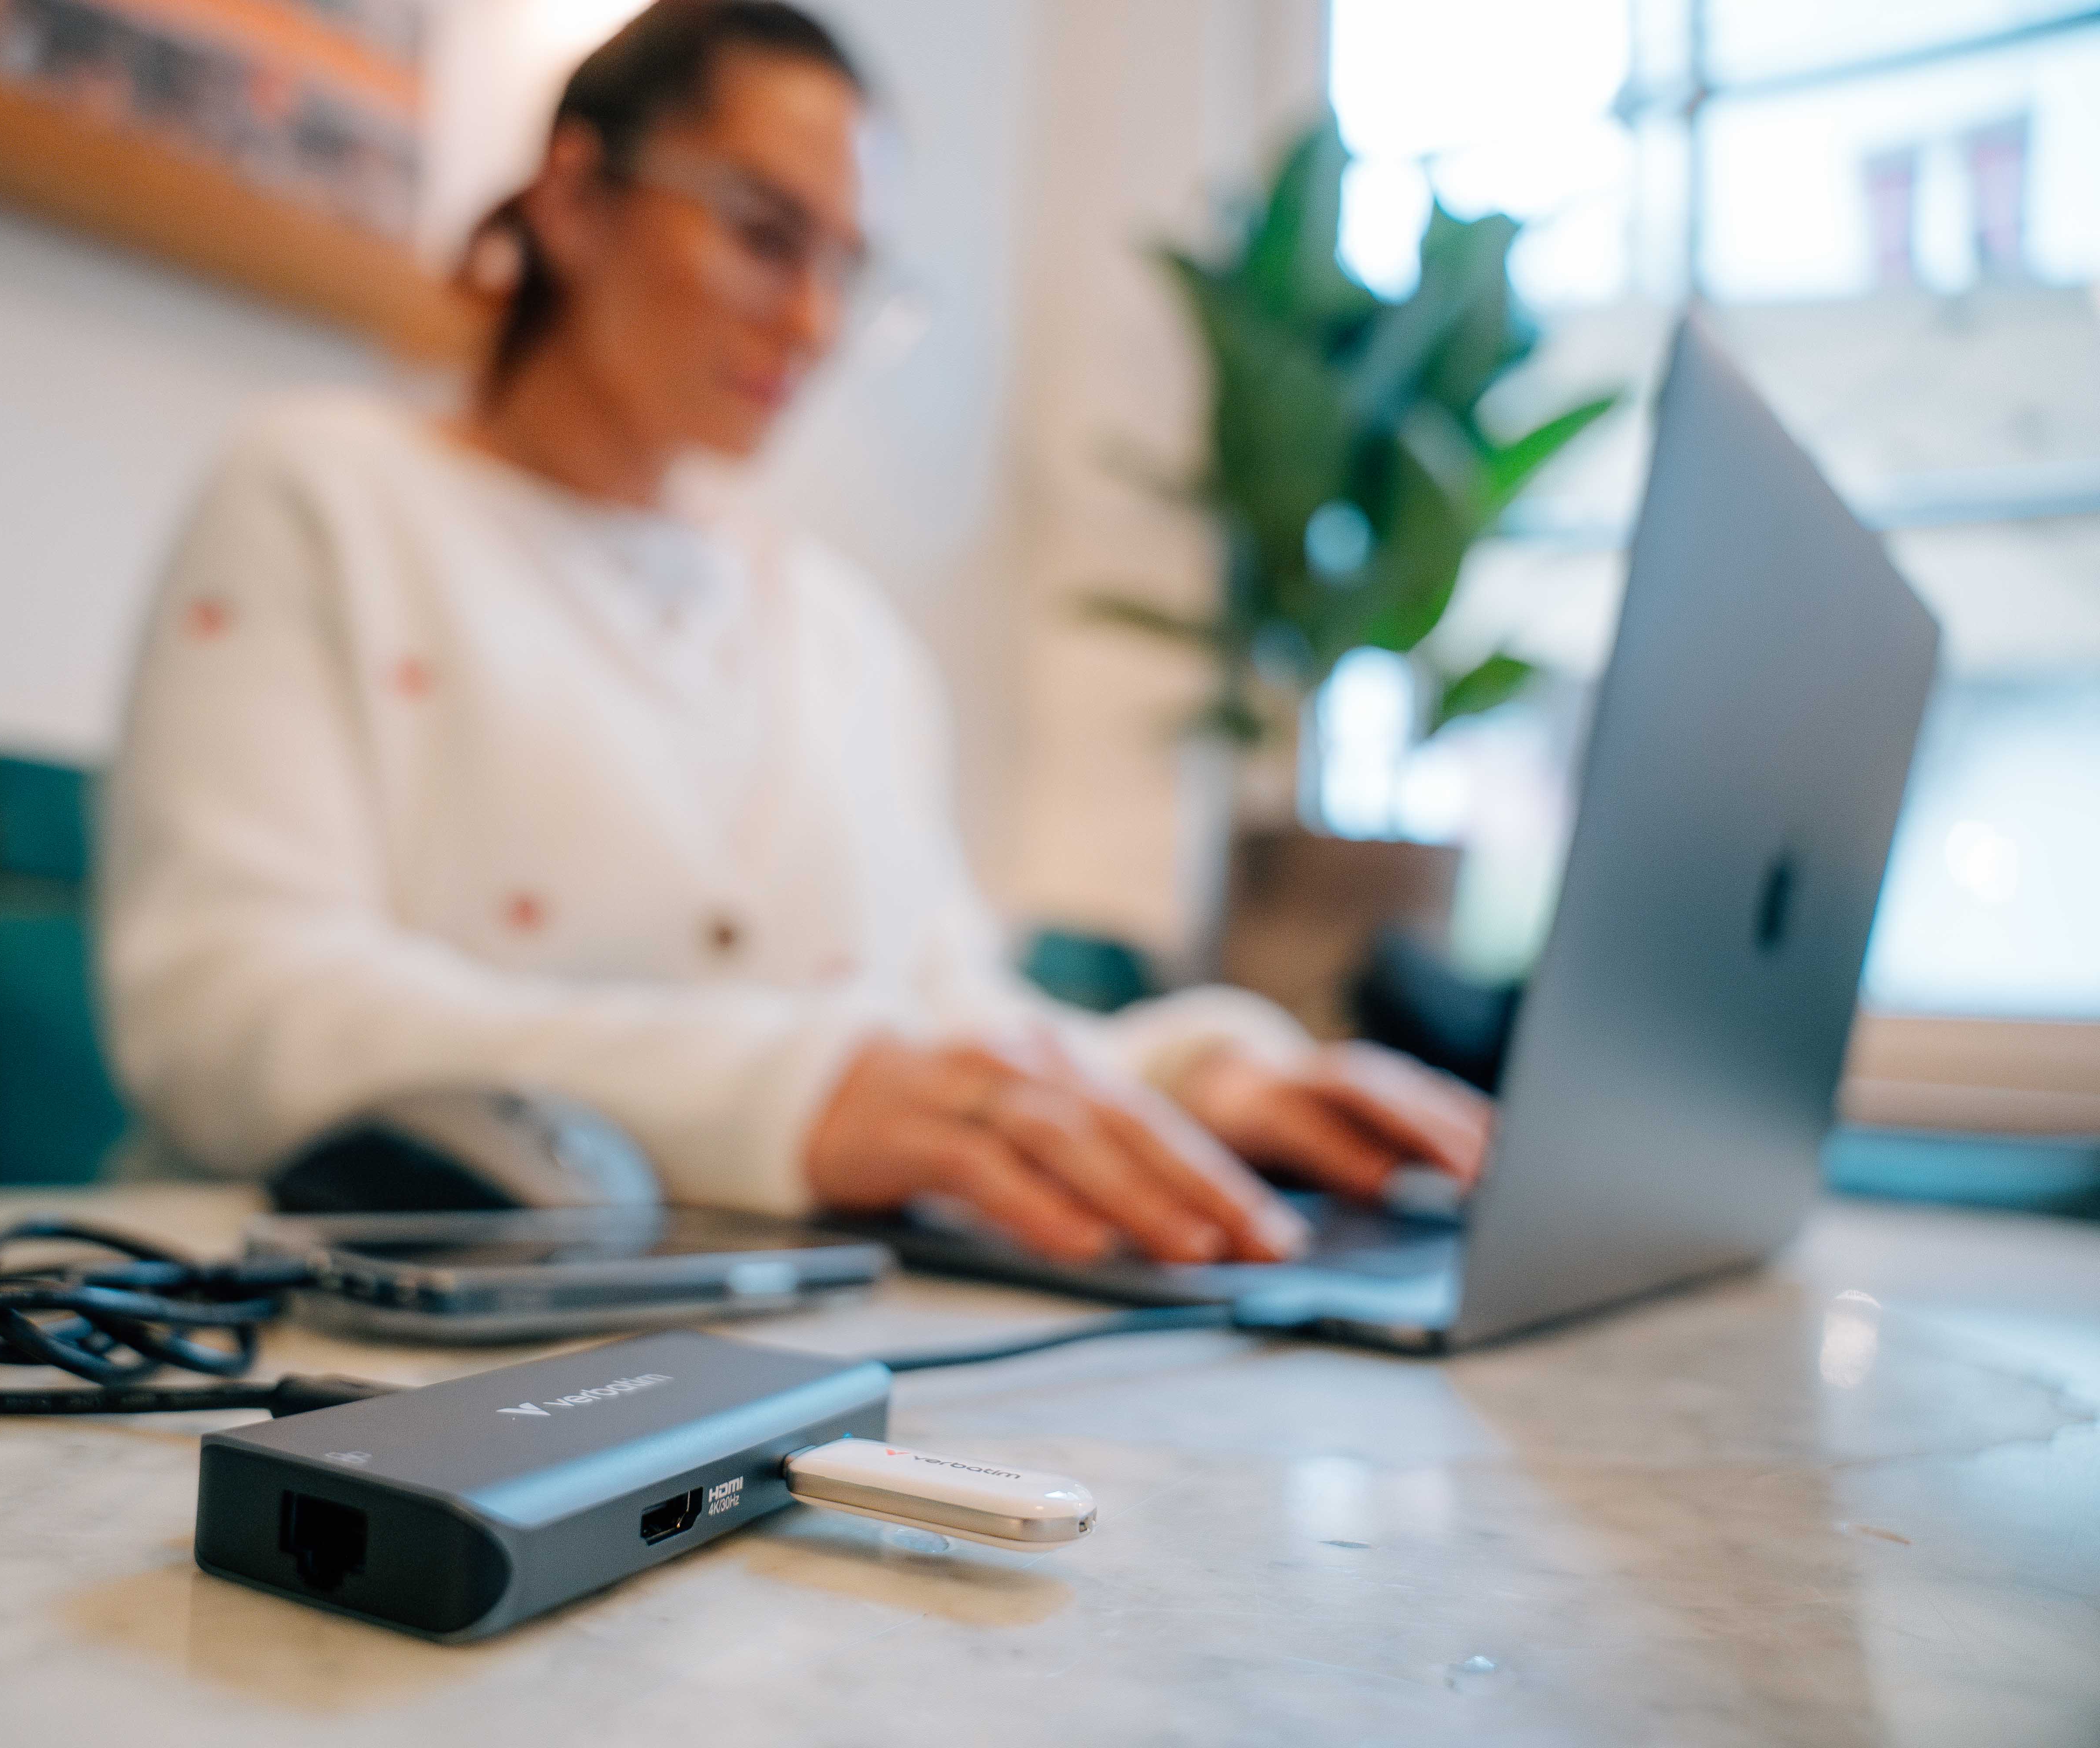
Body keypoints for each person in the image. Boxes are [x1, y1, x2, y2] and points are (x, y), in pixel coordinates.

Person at [101, 0, 1489, 1267]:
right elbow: (223, 1011)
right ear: (577, 196)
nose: (814, 320)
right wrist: (786, 1095)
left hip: (765, 1333)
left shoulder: (838, 635)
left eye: (851, 268)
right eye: (764, 234)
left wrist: (1199, 1080)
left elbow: (941, 1017)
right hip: (332, 1337)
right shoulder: (326, 497)